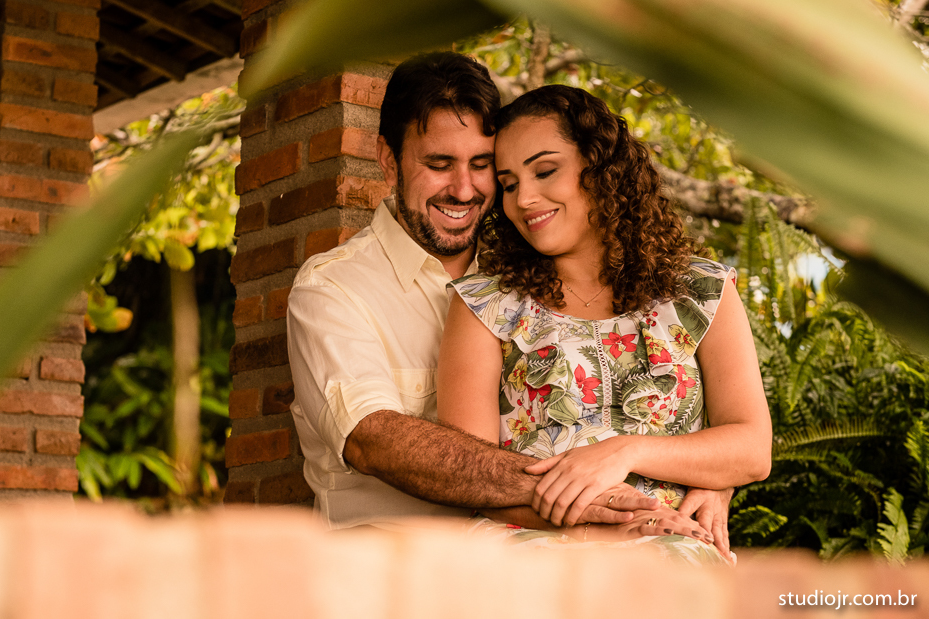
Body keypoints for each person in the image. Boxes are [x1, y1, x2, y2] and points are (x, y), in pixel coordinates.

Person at [288, 52, 732, 549]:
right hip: (388, 564)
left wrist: (708, 475)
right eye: (438, 164)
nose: (464, 190)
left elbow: (690, 419)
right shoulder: (333, 289)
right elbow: (374, 441)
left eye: (482, 166)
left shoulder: (529, 275)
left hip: (543, 548)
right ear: (389, 161)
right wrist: (601, 503)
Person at [438, 84, 772, 562]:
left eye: (545, 171)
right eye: (509, 184)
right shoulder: (484, 305)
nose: (524, 198)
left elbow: (752, 449)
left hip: (672, 544)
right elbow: (472, 477)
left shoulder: (701, 291)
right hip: (529, 545)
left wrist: (626, 451)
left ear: (601, 169)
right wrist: (603, 528)